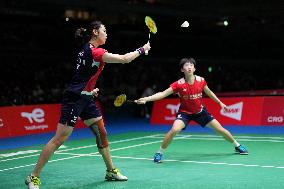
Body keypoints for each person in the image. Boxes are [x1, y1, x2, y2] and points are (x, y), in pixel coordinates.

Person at [25, 20, 151, 189]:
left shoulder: (85, 50)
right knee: (59, 139)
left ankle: (110, 171)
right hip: (75, 99)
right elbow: (124, 59)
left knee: (101, 132)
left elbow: (83, 76)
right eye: (104, 31)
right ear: (95, 32)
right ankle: (33, 176)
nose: (107, 34)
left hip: (85, 98)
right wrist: (142, 49)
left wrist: (90, 91)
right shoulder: (96, 52)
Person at [135, 58, 248, 163]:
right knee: (174, 130)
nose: (189, 67)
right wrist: (146, 99)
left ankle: (237, 145)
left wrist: (220, 103)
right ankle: (159, 152)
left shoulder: (201, 80)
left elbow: (209, 92)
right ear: (182, 69)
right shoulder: (178, 84)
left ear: (194, 68)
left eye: (191, 65)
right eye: (186, 65)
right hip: (185, 113)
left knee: (220, 129)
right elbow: (162, 94)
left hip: (200, 112)